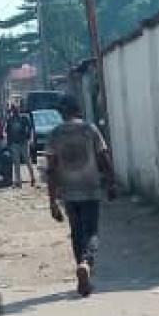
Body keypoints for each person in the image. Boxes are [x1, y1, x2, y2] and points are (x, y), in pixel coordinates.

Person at [45, 96, 116, 297]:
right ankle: (86, 263)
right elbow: (103, 157)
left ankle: (82, 274)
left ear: (62, 113)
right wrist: (111, 182)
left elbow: (51, 170)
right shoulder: (89, 129)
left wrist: (52, 203)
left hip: (68, 193)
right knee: (92, 232)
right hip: (90, 189)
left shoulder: (55, 134)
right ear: (78, 110)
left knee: (76, 233)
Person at [5, 104, 36, 188]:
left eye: (16, 110)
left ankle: (33, 178)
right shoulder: (10, 120)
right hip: (14, 143)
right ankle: (18, 181)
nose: (15, 111)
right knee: (16, 162)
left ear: (18, 110)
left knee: (27, 160)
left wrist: (29, 137)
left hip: (23, 142)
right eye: (13, 110)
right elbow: (8, 132)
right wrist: (8, 143)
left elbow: (30, 128)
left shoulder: (24, 118)